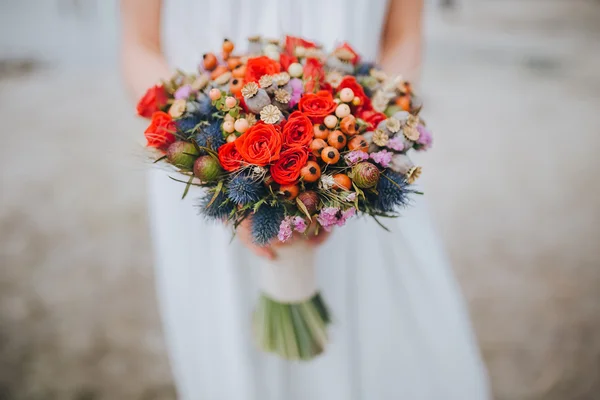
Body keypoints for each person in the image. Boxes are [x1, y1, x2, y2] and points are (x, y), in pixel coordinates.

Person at [121, 0, 491, 398]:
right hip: (208, 168)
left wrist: (367, 134)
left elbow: (403, 37)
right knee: (235, 362)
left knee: (395, 349)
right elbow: (140, 45)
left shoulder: (356, 152)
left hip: (358, 164)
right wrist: (214, 160)